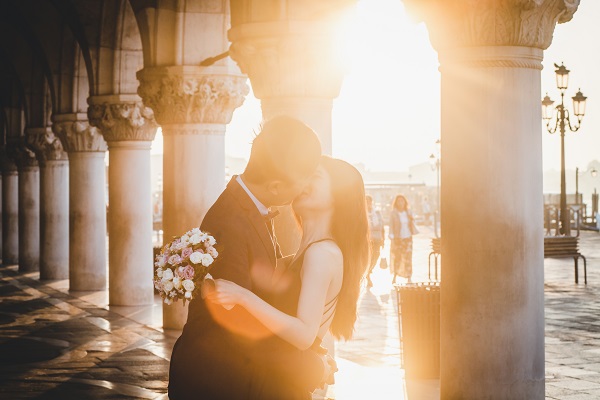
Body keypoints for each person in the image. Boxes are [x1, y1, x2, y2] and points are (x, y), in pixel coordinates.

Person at [168, 116, 333, 400]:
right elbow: (239, 325)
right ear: (276, 187)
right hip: (217, 381)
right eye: (303, 179)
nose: (305, 187)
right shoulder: (230, 222)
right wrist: (309, 367)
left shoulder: (248, 206)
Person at [206, 155, 370, 383]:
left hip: (284, 385)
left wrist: (242, 296)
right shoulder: (307, 253)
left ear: (337, 196)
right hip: (278, 376)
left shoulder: (321, 254)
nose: (302, 183)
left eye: (314, 176)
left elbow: (304, 335)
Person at [389, 194, 418, 284]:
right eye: (399, 201)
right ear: (396, 203)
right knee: (397, 257)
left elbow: (413, 222)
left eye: (402, 201)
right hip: (398, 238)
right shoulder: (393, 213)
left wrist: (412, 219)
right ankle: (395, 276)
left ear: (405, 202)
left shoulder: (408, 212)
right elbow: (391, 226)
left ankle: (409, 277)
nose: (401, 203)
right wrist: (392, 237)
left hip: (408, 238)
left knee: (408, 258)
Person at [365, 194, 385, 287]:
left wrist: (383, 239)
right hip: (366, 240)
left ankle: (369, 271)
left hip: (377, 239)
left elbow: (382, 226)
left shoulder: (377, 213)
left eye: (369, 202)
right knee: (367, 258)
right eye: (366, 202)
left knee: (375, 257)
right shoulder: (362, 213)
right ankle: (368, 276)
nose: (368, 204)